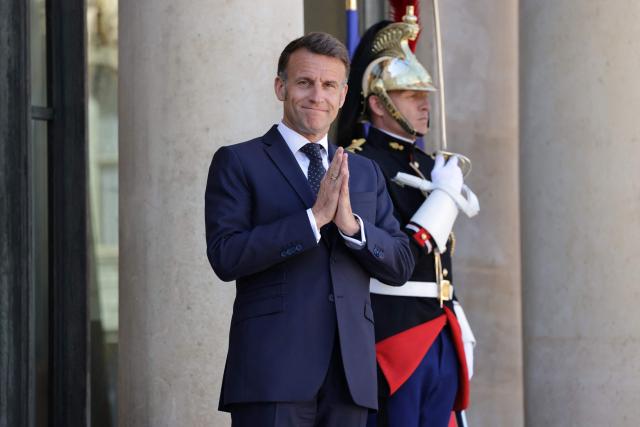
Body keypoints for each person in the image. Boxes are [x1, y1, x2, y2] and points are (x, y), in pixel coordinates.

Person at [205, 32, 415, 427]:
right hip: (272, 375)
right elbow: (225, 255)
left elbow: (401, 264)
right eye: (304, 82)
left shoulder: (366, 172)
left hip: (350, 377)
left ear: (342, 95)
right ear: (281, 87)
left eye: (329, 85)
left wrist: (352, 227)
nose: (317, 95)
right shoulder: (238, 161)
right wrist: (313, 219)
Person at [337, 7, 478, 427]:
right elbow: (388, 254)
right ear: (379, 104)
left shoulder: (428, 164)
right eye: (411, 94)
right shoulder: (362, 162)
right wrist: (441, 201)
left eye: (425, 94)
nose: (424, 103)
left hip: (442, 328)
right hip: (394, 335)